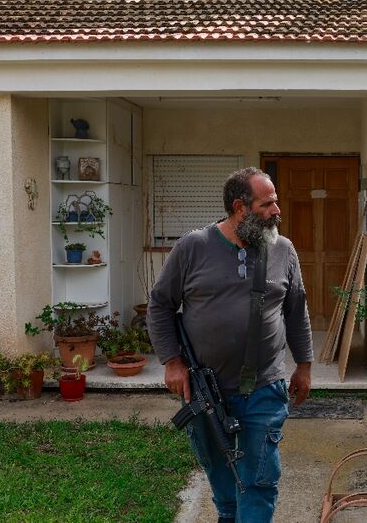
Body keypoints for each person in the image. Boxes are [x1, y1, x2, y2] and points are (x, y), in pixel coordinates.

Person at [147, 166, 313, 523]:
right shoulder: (193, 247)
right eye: (267, 204)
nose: (276, 211)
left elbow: (297, 311)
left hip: (264, 388)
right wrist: (172, 362)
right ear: (240, 207)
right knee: (221, 472)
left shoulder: (283, 250)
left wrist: (305, 365)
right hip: (205, 390)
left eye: (276, 203)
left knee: (259, 480)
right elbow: (160, 304)